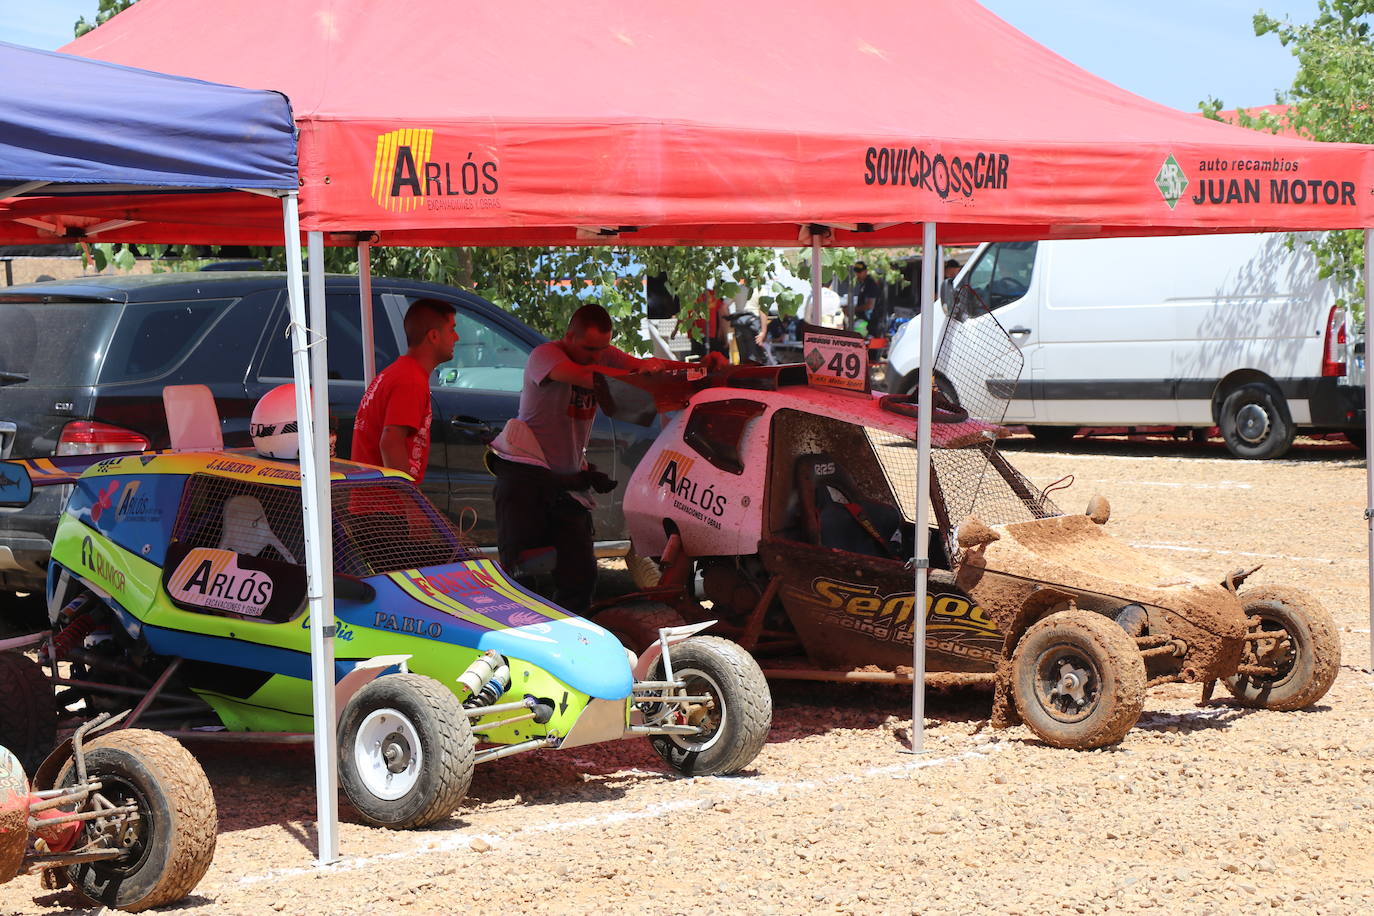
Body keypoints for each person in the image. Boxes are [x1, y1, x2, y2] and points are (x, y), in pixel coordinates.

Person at [488, 303, 717, 614]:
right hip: (528, 481)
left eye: (602, 349)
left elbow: (649, 367)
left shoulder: (604, 356)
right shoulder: (545, 355)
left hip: (568, 484)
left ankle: (574, 640)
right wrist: (637, 371)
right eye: (588, 348)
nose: (596, 356)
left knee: (580, 578)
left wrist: (702, 368)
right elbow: (583, 375)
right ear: (569, 336)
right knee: (527, 577)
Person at [351, 297, 458, 483]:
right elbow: (391, 442)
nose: (456, 337)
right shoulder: (410, 379)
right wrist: (409, 499)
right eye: (452, 330)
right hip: (384, 504)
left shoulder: (401, 373)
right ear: (433, 336)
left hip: (375, 501)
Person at [850, 261, 881, 336]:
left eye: (860, 272)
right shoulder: (864, 283)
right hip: (864, 322)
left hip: (870, 324)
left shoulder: (870, 284)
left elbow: (870, 305)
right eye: (856, 272)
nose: (858, 274)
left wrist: (852, 310)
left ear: (865, 271)